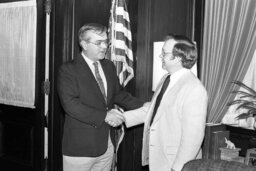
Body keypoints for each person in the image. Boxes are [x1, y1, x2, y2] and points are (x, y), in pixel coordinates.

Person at [57, 23, 143, 171]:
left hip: (106, 145)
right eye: (98, 43)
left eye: (106, 42)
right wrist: (105, 115)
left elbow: (118, 94)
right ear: (84, 44)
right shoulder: (68, 69)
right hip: (80, 149)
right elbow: (70, 105)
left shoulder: (108, 66)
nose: (104, 47)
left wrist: (145, 105)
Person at [122, 34, 208, 171]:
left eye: (164, 53)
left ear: (179, 58)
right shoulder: (166, 79)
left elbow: (193, 137)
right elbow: (154, 110)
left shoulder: (194, 88)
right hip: (160, 159)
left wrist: (179, 167)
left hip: (176, 163)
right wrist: (123, 117)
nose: (160, 56)